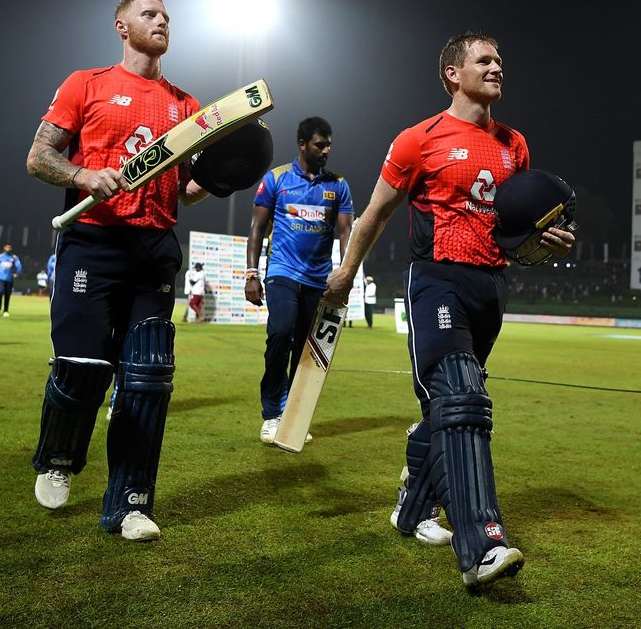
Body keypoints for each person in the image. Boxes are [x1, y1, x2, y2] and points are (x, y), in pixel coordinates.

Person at [324, 33, 574, 588]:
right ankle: (482, 545)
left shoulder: (516, 145)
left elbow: (518, 231)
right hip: (437, 281)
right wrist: (346, 272)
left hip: (493, 289)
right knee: (462, 396)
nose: (496, 66)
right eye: (484, 59)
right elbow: (374, 214)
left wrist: (546, 240)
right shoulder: (419, 139)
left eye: (499, 59)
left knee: (448, 409)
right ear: (452, 75)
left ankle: (411, 511)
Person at [24, 0, 212, 542]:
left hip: (155, 248)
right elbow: (39, 158)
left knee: (148, 380)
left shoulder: (187, 104)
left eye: (167, 16)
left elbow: (192, 189)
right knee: (82, 365)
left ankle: (130, 502)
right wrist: (83, 176)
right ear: (121, 25)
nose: (163, 21)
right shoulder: (86, 83)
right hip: (92, 242)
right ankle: (58, 457)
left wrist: (228, 172)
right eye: (150, 14)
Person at [246, 116, 353, 445]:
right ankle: (271, 414)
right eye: (320, 144)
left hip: (319, 279)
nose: (326, 150)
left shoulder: (338, 185)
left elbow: (347, 231)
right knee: (280, 334)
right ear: (303, 144)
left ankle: (293, 415)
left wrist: (346, 272)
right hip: (282, 272)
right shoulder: (276, 179)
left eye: (329, 144)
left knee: (308, 350)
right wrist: (251, 273)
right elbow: (257, 230)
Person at [0, 244, 21, 316]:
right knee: (0, 293)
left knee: (7, 295)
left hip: (9, 279)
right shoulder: (0, 257)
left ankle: (6, 310)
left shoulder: (14, 257)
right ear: (4, 248)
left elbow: (19, 266)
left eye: (9, 247)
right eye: (7, 247)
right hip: (0, 278)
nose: (8, 248)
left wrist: (17, 273)